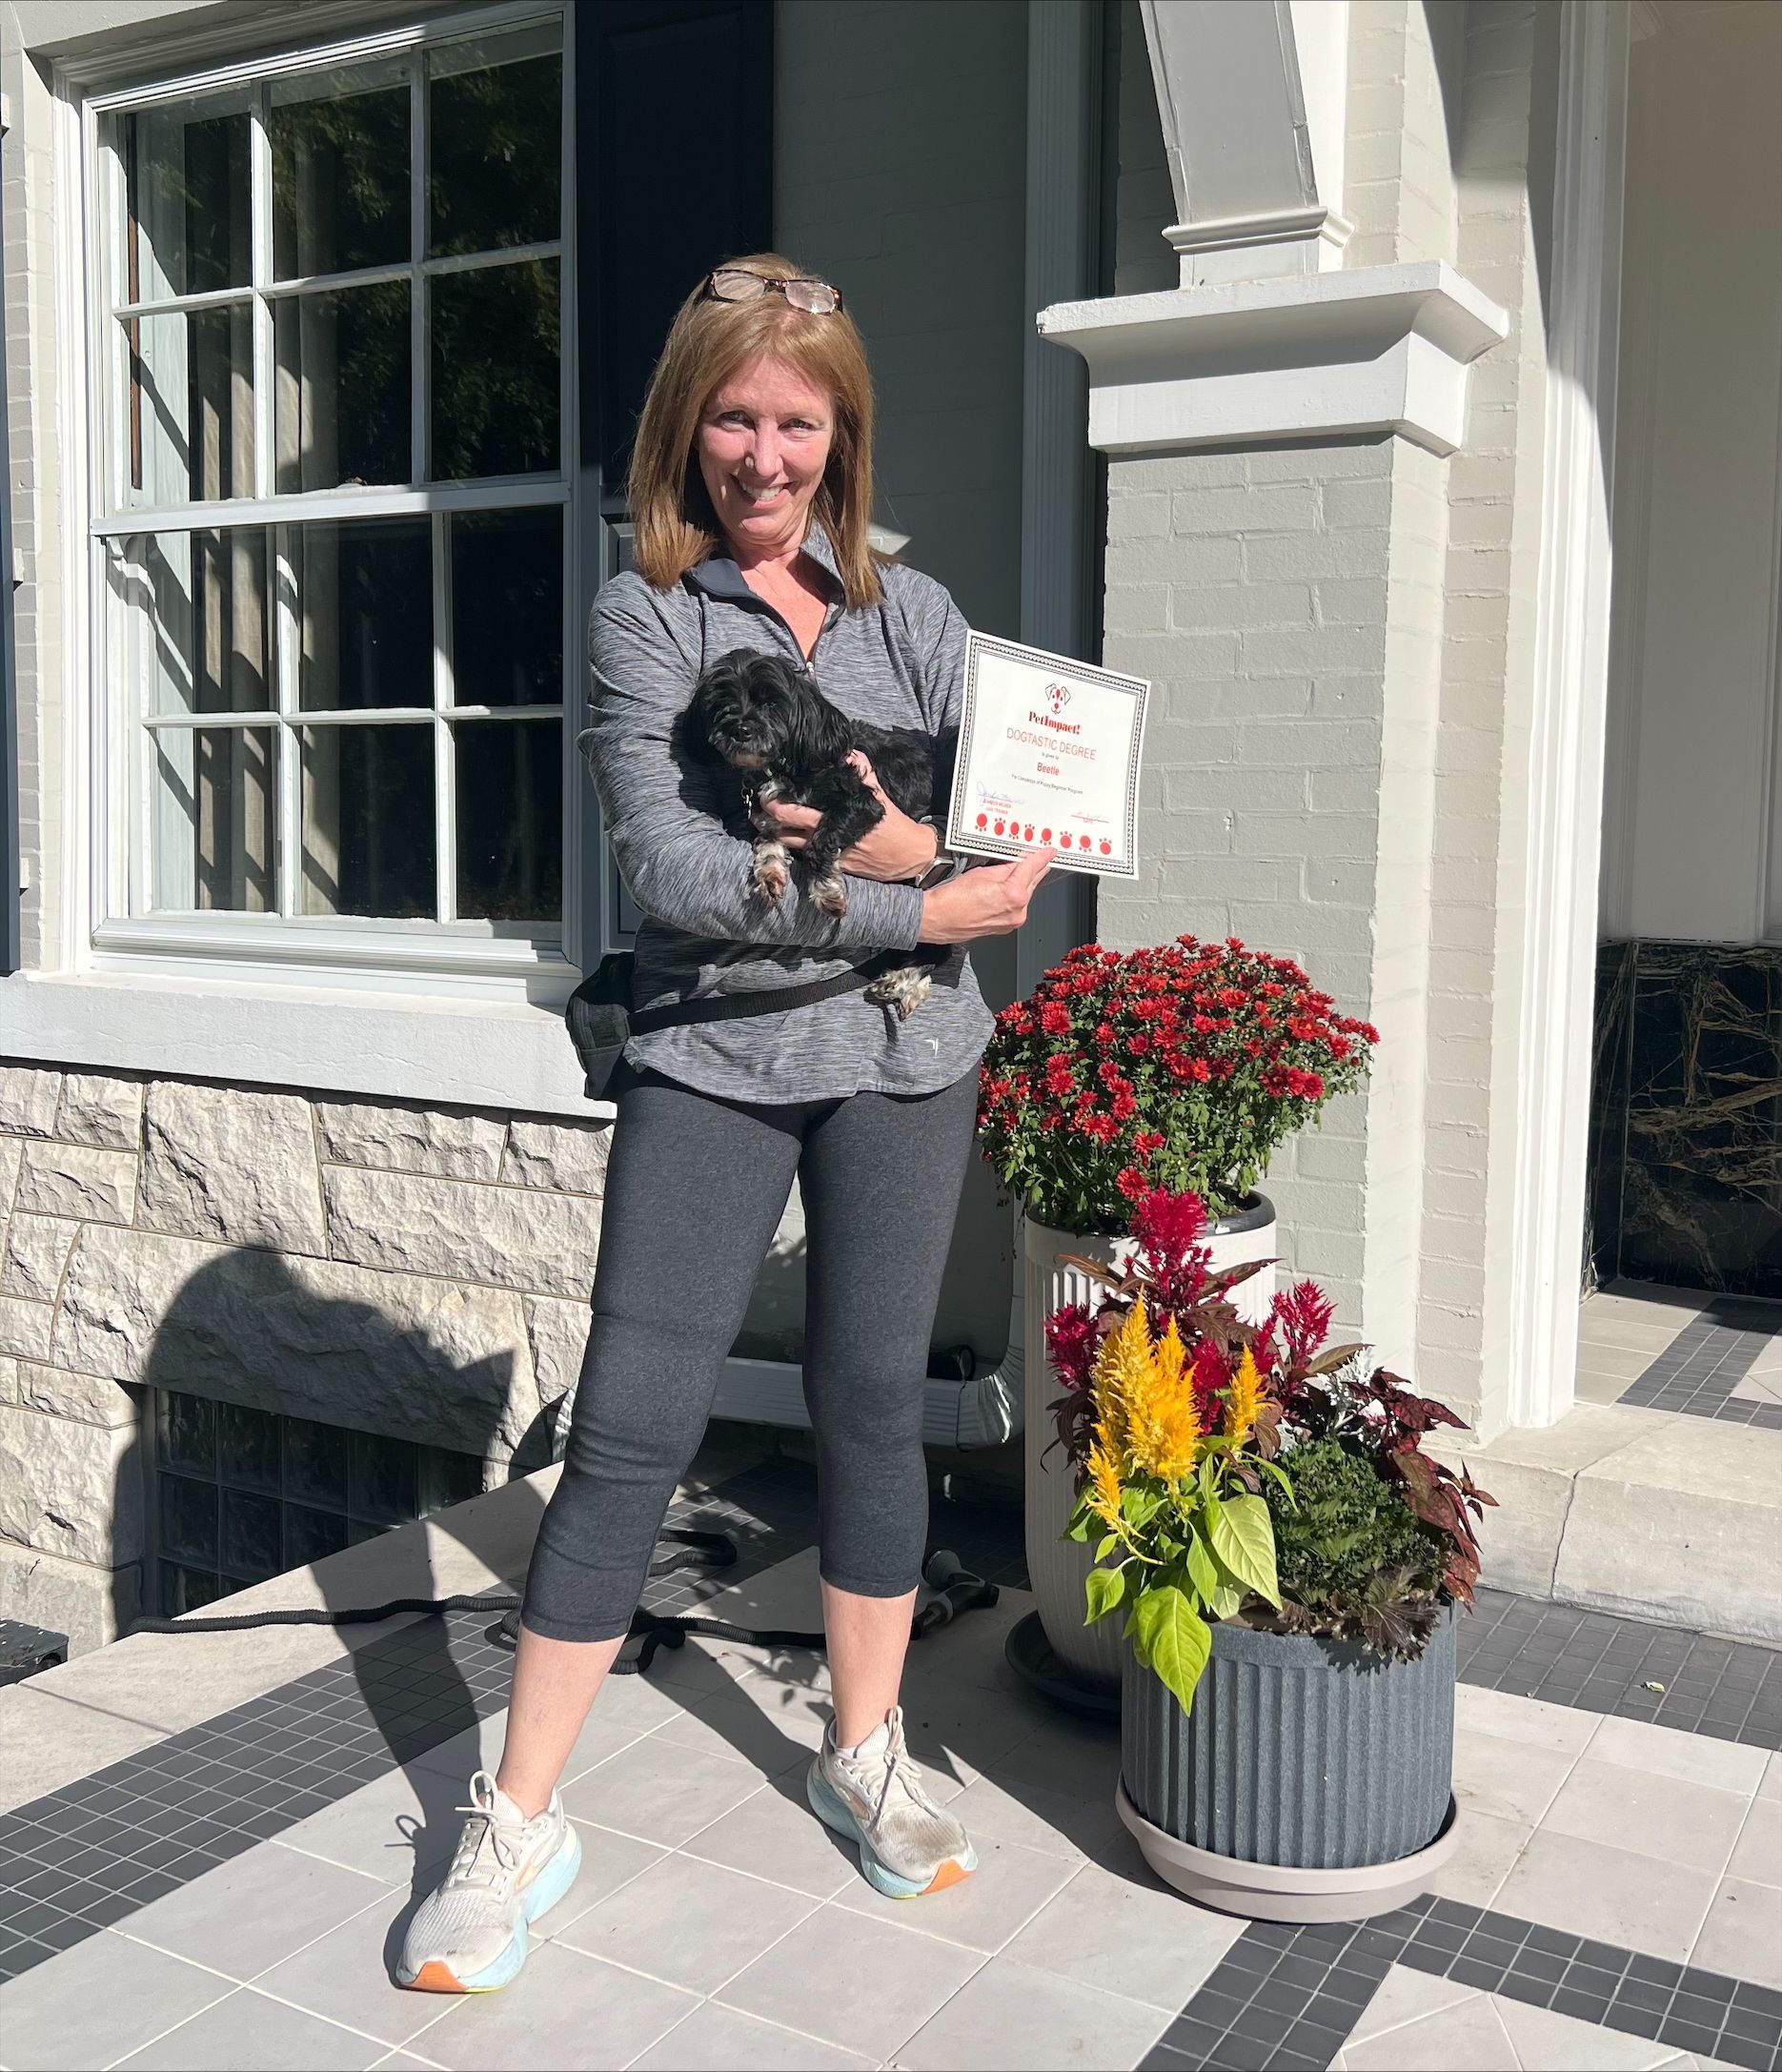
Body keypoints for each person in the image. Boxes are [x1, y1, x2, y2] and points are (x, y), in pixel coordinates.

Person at [396, 254, 1052, 1993]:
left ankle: (861, 1748)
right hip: (711, 1061)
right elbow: (680, 883)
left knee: (870, 1412)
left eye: (796, 419)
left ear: (839, 433)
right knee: (627, 1422)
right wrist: (916, 897)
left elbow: (1006, 822)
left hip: (910, 1065)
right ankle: (518, 1817)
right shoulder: (647, 618)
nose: (763, 452)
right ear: (686, 431)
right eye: (733, 419)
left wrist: (1015, 853)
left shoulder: (921, 618)